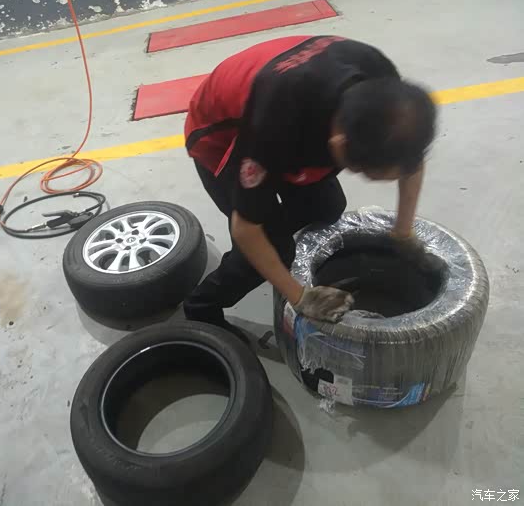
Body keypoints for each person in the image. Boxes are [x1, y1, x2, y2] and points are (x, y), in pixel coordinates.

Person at [183, 35, 436, 342]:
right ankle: (202, 306)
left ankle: (270, 238)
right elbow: (245, 228)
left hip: (281, 95)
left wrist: (403, 233)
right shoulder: (275, 127)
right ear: (338, 145)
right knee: (271, 247)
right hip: (218, 133)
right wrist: (300, 297)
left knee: (326, 207)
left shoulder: (384, 86)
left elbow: (411, 161)